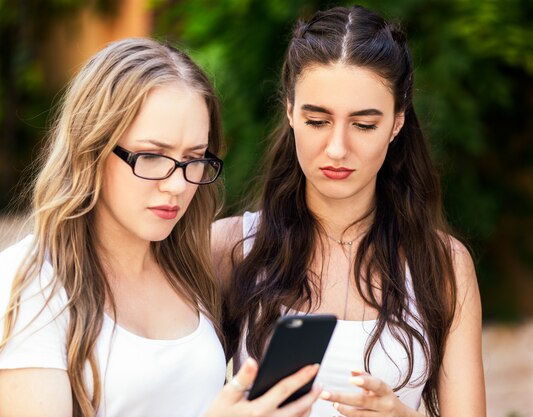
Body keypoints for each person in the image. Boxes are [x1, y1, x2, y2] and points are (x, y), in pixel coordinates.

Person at [0, 38, 320, 417]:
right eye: (152, 156)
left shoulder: (189, 269)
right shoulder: (31, 284)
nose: (178, 185)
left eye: (193, 159)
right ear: (91, 149)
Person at [212, 5, 486, 417]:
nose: (338, 148)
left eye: (363, 125)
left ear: (397, 122)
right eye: (318, 120)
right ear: (290, 112)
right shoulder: (231, 247)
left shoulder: (443, 266)